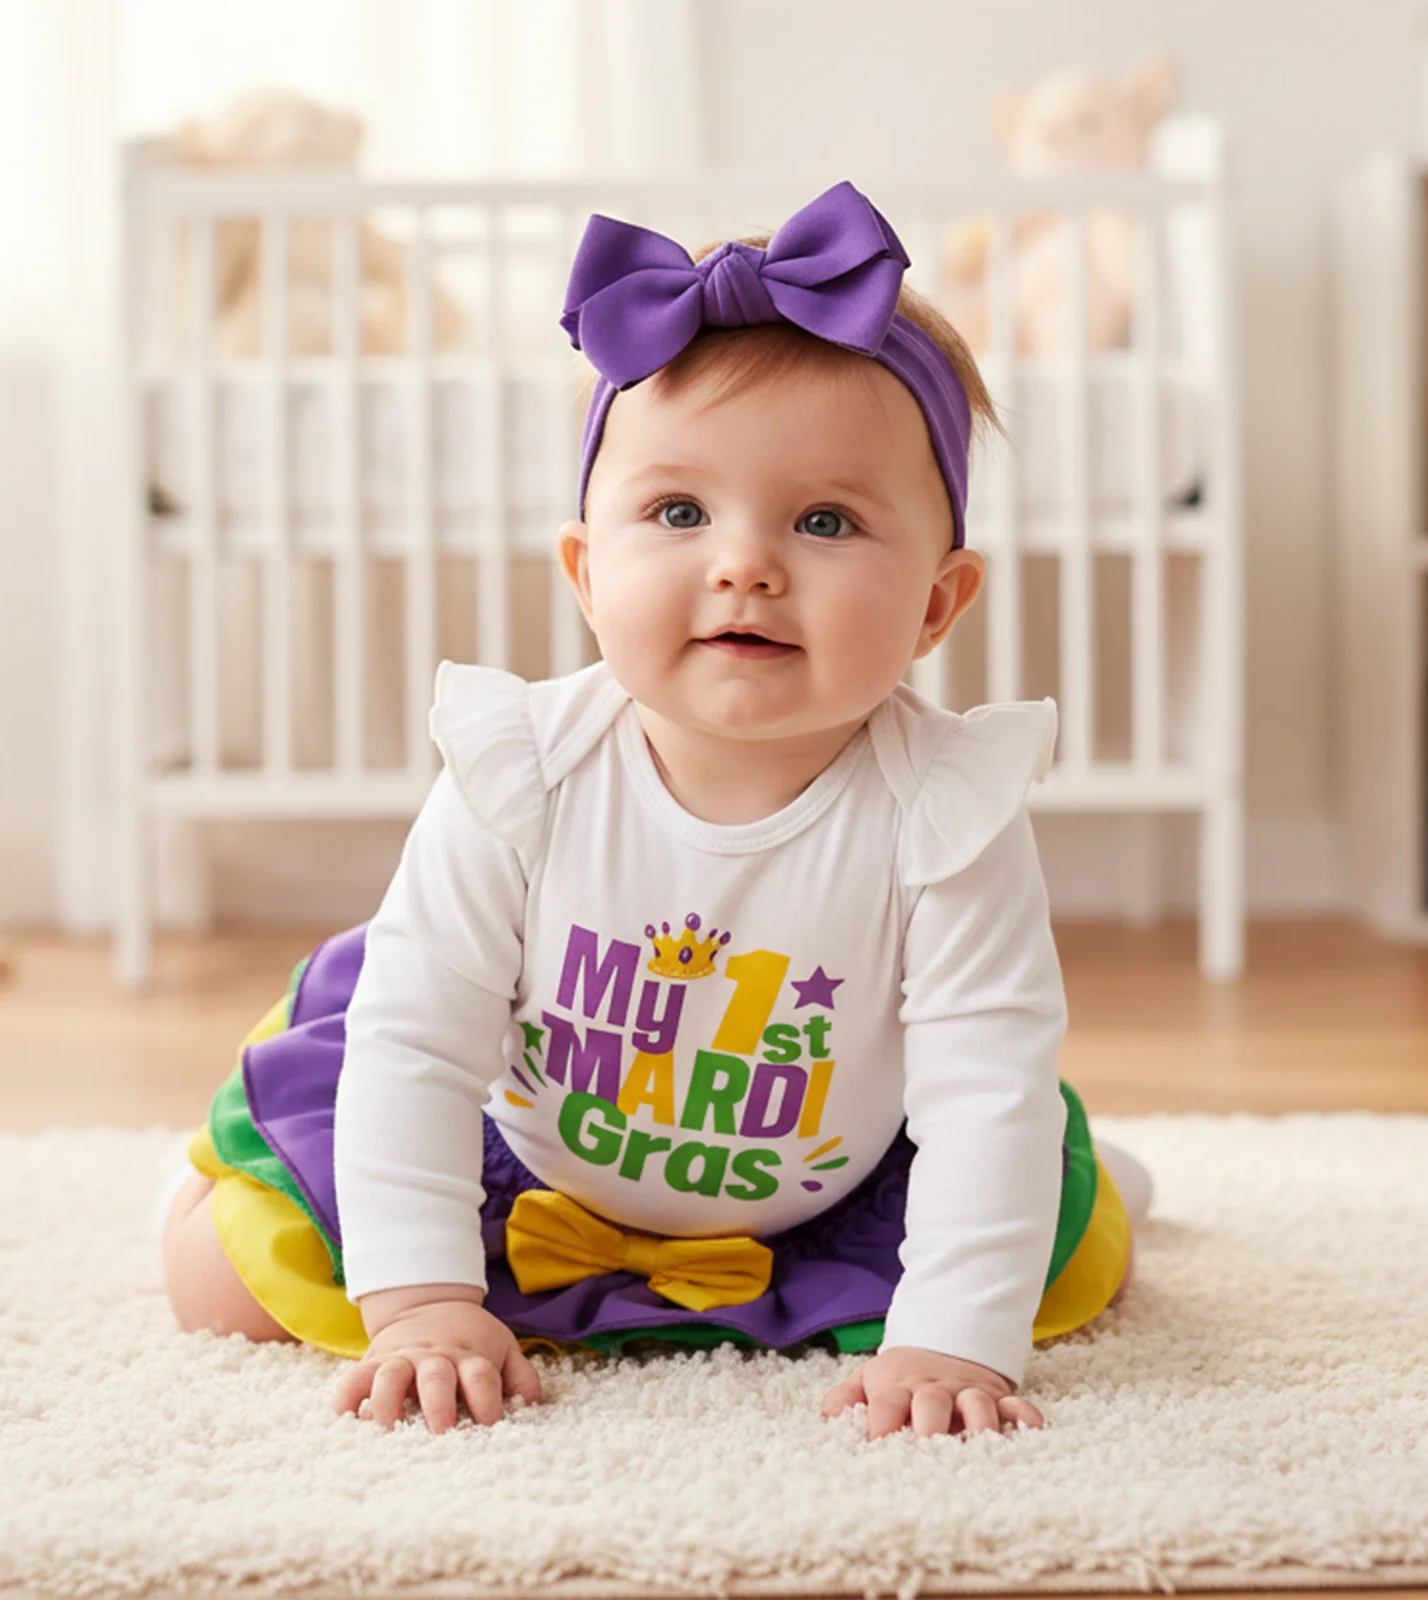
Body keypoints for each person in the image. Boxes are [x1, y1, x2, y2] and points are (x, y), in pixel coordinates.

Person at [159, 179, 1153, 1442]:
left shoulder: (943, 815)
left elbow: (980, 1086)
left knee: (1057, 1269)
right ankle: (196, 1191)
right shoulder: (522, 772)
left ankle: (1103, 1178)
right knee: (218, 1279)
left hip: (825, 1194)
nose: (744, 564)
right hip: (523, 1160)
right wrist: (421, 1305)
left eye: (826, 520)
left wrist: (952, 1341)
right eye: (678, 512)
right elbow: (416, 1042)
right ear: (586, 572)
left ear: (936, 604)